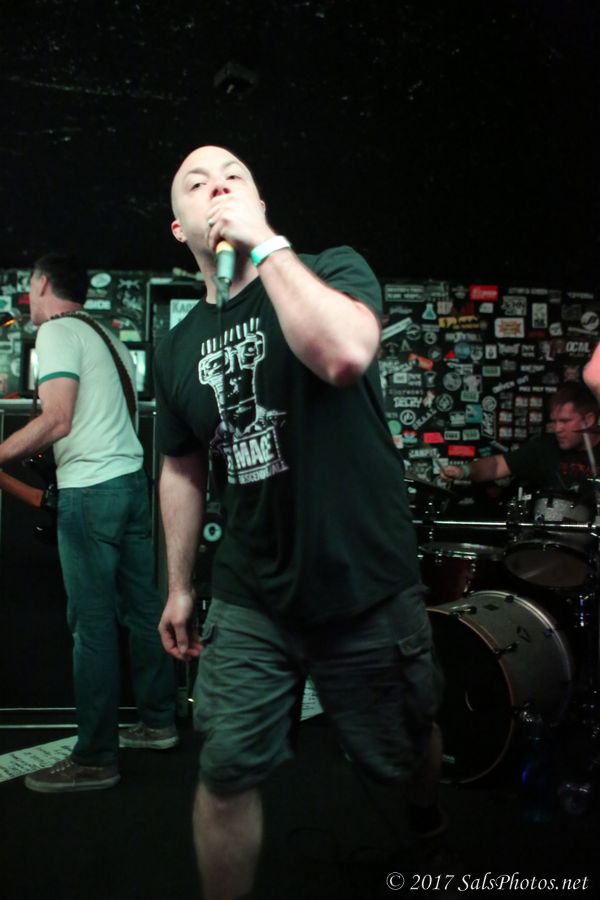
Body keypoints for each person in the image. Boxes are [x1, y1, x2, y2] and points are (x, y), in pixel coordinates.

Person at [154, 145, 443, 900]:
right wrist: (179, 585)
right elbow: (181, 468)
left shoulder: (332, 269)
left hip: (362, 579)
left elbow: (344, 354)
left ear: (261, 204)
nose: (217, 188)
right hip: (252, 592)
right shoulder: (177, 345)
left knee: (401, 750)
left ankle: (425, 815)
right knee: (224, 769)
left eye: (235, 179)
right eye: (196, 183)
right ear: (179, 227)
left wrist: (263, 244)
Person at [0, 253, 177, 793]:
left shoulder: (57, 332)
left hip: (92, 493)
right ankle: (160, 722)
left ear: (42, 283)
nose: (27, 298)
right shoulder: (109, 337)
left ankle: (95, 757)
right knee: (143, 611)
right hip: (131, 487)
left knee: (92, 625)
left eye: (29, 286)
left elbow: (57, 419)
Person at [440, 382, 600, 491]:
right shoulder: (545, 446)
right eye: (555, 421)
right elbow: (497, 465)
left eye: (565, 421)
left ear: (589, 420)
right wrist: (464, 470)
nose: (557, 429)